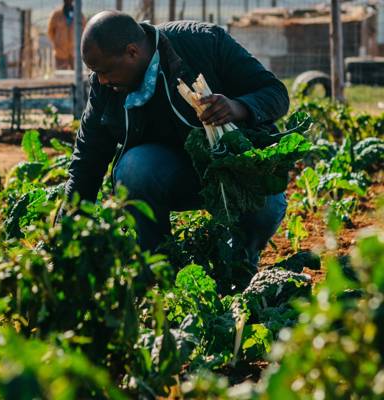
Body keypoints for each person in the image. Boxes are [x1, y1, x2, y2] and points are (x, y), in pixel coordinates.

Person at [64, 11, 289, 270]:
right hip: (176, 175)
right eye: (96, 73)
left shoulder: (203, 42)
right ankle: (158, 268)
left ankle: (240, 263)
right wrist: (65, 234)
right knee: (134, 167)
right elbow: (87, 162)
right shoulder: (106, 85)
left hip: (235, 171)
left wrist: (237, 107)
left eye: (104, 71)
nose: (101, 80)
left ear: (132, 52)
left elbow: (275, 93)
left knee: (265, 205)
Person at [47, 0, 86, 70]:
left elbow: (84, 31)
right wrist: (57, 43)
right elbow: (50, 31)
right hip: (60, 53)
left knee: (76, 76)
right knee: (61, 77)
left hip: (75, 53)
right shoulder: (56, 15)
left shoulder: (79, 15)